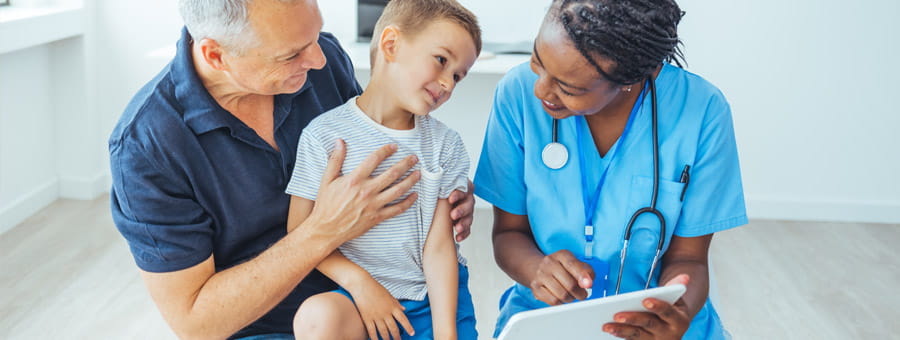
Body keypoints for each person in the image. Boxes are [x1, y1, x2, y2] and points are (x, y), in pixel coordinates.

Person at [107, 0, 476, 339]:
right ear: (216, 55)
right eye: (292, 54)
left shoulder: (323, 58)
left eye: (314, 36)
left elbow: (375, 147)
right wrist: (321, 232)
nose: (317, 60)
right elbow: (196, 323)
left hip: (382, 298)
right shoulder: (146, 147)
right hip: (270, 326)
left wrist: (441, 200)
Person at [473, 0, 747, 339]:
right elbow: (507, 234)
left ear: (629, 79)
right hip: (546, 317)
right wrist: (536, 270)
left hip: (653, 325)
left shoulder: (702, 111)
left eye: (569, 89)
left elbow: (689, 259)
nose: (541, 89)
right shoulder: (517, 96)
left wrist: (677, 315)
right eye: (536, 61)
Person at [286, 1, 481, 339]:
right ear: (391, 44)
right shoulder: (322, 136)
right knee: (316, 317)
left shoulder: (445, 144)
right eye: (441, 60)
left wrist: (445, 333)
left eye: (457, 76)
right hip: (359, 300)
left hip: (433, 299)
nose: (448, 83)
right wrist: (360, 285)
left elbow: (438, 248)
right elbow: (299, 233)